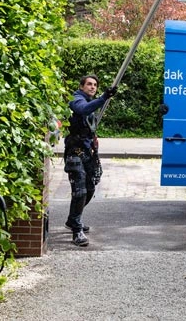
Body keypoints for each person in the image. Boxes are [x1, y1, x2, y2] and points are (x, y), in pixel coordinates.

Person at [63, 74, 117, 247]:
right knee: (79, 191)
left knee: (90, 187)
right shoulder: (76, 99)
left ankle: (73, 219)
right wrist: (104, 97)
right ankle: (76, 231)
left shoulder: (88, 101)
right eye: (89, 84)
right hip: (74, 152)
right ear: (81, 86)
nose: (92, 87)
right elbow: (83, 109)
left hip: (87, 152)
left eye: (95, 85)